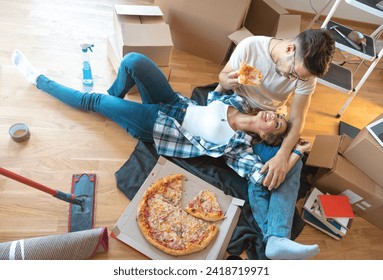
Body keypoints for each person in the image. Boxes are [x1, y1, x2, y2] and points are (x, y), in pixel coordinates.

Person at [12, 50, 318, 259]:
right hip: (174, 103)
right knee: (133, 61)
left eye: (277, 126)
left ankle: (38, 80)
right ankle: (113, 99)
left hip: (157, 126)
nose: (273, 119)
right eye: (276, 116)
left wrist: (294, 154)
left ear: (267, 136)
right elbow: (223, 81)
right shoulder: (239, 102)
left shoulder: (241, 148)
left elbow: (259, 176)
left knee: (90, 101)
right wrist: (235, 77)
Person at [216, 28, 335, 190]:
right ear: (289, 49)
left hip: (273, 123)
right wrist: (227, 82)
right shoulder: (250, 46)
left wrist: (282, 156)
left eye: (300, 78)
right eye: (293, 74)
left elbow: (297, 119)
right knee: (288, 167)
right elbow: (223, 76)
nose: (295, 80)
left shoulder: (306, 75)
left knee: (285, 167)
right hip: (241, 107)